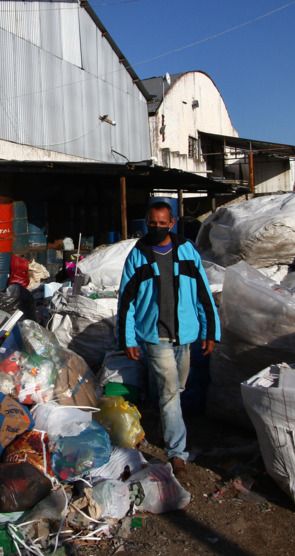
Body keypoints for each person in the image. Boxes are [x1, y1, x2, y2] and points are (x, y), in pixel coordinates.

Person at [117, 201, 220, 480]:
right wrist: (127, 338)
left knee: (178, 386)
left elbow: (203, 292)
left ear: (172, 223)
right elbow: (125, 302)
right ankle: (177, 454)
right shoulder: (138, 255)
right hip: (154, 336)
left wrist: (211, 330)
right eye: (153, 223)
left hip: (184, 335)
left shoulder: (186, 250)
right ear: (146, 223)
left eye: (163, 223)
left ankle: (158, 403)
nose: (157, 227)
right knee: (171, 394)